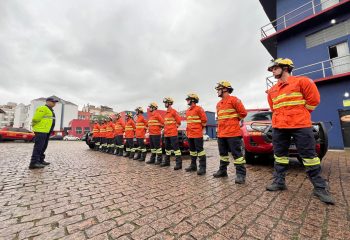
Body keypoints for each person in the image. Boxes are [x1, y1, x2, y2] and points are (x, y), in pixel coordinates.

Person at [266, 58, 335, 204]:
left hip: (300, 125)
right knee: (279, 156)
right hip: (279, 127)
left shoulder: (302, 81)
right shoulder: (272, 90)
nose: (272, 71)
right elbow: (274, 108)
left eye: (275, 68)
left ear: (285, 68)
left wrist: (300, 115)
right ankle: (279, 182)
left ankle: (320, 188)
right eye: (271, 69)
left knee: (310, 156)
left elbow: (314, 100)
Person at [213, 81, 248, 184]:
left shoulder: (234, 100)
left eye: (219, 89)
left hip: (233, 133)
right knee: (223, 154)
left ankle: (241, 174)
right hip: (221, 133)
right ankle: (223, 171)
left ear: (225, 89)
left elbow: (243, 113)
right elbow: (220, 118)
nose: (217, 91)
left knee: (237, 155)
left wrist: (234, 121)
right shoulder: (218, 104)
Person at [29, 97, 59, 169]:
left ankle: (40, 160)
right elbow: (36, 119)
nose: (54, 103)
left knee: (43, 146)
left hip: (46, 131)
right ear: (47, 101)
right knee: (38, 147)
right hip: (41, 130)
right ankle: (34, 163)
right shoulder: (43, 108)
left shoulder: (50, 110)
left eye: (55, 102)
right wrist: (34, 126)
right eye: (53, 102)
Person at [184, 93, 208, 175]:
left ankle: (202, 168)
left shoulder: (199, 109)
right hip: (190, 134)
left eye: (188, 99)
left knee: (200, 151)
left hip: (197, 134)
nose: (187, 100)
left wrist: (199, 130)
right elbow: (188, 123)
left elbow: (204, 121)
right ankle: (193, 166)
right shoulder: (188, 111)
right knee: (192, 151)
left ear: (193, 100)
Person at [162, 97, 182, 170]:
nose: (165, 104)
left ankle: (178, 164)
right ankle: (167, 162)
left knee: (176, 149)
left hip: (173, 134)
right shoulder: (166, 113)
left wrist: (173, 128)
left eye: (166, 102)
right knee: (167, 149)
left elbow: (178, 122)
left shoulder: (173, 111)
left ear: (169, 103)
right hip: (167, 134)